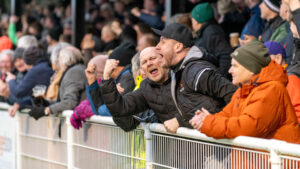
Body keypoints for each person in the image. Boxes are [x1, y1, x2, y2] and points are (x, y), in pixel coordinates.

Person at [190, 40, 300, 144]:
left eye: (235, 66)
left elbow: (249, 127)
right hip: (256, 161)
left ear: (251, 69)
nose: (229, 70)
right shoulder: (242, 90)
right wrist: (206, 119)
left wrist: (209, 123)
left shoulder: (272, 89)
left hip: (274, 162)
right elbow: (227, 115)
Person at [154, 23, 237, 129]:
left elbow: (233, 93)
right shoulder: (179, 70)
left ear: (178, 47)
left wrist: (224, 124)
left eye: (163, 42)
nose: (157, 47)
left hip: (217, 141)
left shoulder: (196, 71)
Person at [86, 47, 183, 133]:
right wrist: (108, 82)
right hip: (160, 150)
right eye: (144, 62)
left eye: (152, 58)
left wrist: (179, 120)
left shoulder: (182, 77)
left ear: (164, 59)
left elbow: (194, 107)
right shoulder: (145, 88)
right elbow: (126, 122)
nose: (149, 63)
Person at [28, 46, 86, 120]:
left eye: (59, 60)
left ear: (63, 60)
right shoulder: (78, 69)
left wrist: (46, 111)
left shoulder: (74, 72)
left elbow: (70, 103)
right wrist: (46, 103)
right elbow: (63, 101)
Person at [191, 2, 233, 78]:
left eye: (192, 19)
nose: (192, 22)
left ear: (197, 20)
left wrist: (218, 79)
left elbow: (226, 56)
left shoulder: (212, 32)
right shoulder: (207, 31)